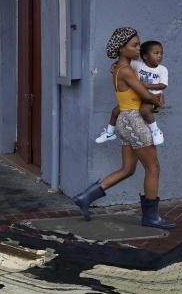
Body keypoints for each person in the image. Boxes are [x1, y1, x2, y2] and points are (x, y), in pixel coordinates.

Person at [72, 27, 174, 229]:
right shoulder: (126, 71)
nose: (138, 49)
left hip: (125, 121)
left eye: (138, 44)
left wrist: (153, 100)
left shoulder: (120, 68)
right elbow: (145, 95)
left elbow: (140, 94)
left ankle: (85, 197)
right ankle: (151, 217)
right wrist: (157, 100)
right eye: (134, 45)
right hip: (134, 122)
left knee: (128, 169)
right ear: (121, 48)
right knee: (153, 168)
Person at [93, 39, 167, 145]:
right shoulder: (137, 66)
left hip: (152, 96)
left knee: (145, 111)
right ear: (145, 56)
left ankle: (155, 131)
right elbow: (123, 62)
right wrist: (114, 64)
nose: (160, 56)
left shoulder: (162, 69)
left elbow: (163, 85)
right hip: (138, 102)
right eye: (156, 53)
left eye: (161, 53)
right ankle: (109, 132)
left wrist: (152, 94)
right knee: (115, 111)